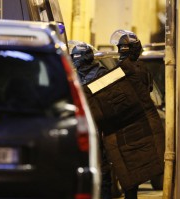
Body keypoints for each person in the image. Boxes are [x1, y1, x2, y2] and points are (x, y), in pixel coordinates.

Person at [76, 30, 165, 199]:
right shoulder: (142, 70)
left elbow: (96, 93)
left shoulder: (121, 72)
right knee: (134, 174)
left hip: (125, 129)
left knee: (129, 174)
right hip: (138, 126)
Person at [70, 43, 113, 199]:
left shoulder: (101, 74)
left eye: (77, 57)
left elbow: (109, 102)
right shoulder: (75, 76)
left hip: (100, 129)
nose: (75, 61)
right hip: (81, 129)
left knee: (103, 173)